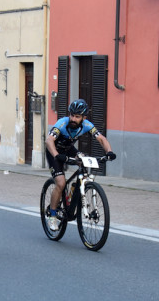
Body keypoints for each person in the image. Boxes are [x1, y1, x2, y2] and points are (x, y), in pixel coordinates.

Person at [44, 99, 116, 231]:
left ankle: (74, 189)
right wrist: (56, 155)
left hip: (68, 149)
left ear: (84, 118)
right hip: (53, 151)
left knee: (83, 160)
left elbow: (101, 138)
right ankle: (52, 215)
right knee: (60, 183)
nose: (73, 118)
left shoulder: (87, 125)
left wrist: (109, 152)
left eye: (77, 116)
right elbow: (49, 140)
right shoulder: (62, 123)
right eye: (71, 115)